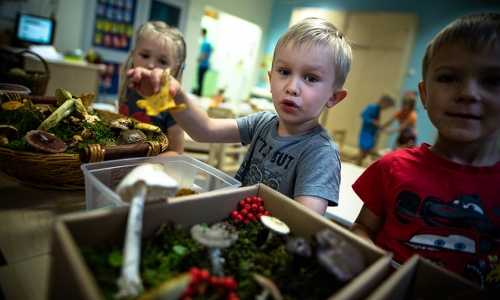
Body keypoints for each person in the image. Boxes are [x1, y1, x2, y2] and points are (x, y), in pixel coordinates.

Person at [127, 18, 353, 215]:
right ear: (270, 77)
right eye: (284, 72)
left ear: (333, 97)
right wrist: (173, 94)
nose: (292, 87)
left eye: (311, 78)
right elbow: (203, 129)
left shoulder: (320, 153)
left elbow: (304, 223)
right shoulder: (262, 123)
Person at [351, 13, 500, 290]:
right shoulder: (392, 167)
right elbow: (361, 228)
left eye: (492, 80)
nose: (468, 93)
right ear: (424, 94)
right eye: (448, 77)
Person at [118, 21, 186, 155]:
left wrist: (146, 164)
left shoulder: (172, 104)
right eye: (144, 55)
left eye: (162, 62)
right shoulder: (128, 86)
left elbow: (177, 152)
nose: (150, 65)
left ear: (175, 68)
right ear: (133, 55)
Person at [356, 94, 395, 166]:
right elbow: (363, 115)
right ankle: (357, 164)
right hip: (366, 132)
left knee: (367, 151)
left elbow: (377, 124)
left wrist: (380, 128)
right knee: (363, 150)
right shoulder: (372, 107)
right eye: (387, 106)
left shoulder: (378, 110)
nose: (386, 108)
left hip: (371, 134)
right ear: (383, 101)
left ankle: (359, 163)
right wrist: (373, 122)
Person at [194, 28, 213, 96]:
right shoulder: (208, 43)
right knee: (201, 81)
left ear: (203, 33)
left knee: (200, 81)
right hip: (206, 65)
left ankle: (199, 95)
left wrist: (198, 59)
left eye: (201, 32)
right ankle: (199, 94)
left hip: (203, 65)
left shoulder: (205, 43)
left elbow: (204, 54)